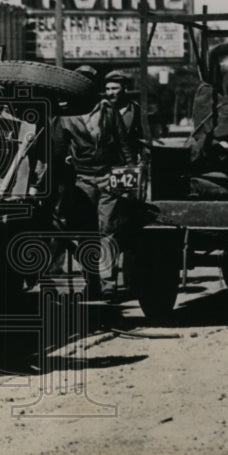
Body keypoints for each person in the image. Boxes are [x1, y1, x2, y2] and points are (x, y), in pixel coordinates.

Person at [54, 66, 136, 299]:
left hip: (110, 177)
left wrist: (129, 179)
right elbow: (58, 155)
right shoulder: (65, 116)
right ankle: (92, 282)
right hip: (82, 181)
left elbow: (124, 144)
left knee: (108, 230)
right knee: (85, 233)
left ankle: (108, 283)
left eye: (89, 80)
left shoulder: (107, 109)